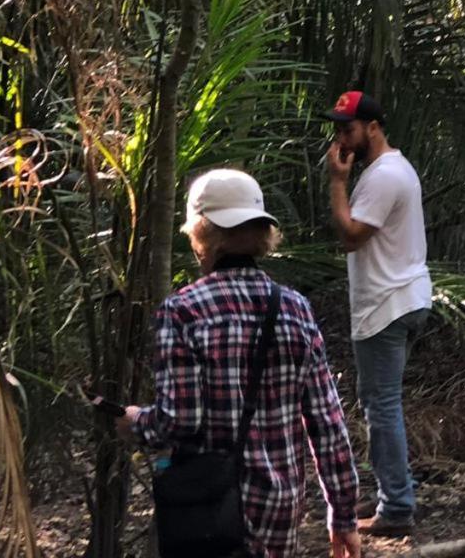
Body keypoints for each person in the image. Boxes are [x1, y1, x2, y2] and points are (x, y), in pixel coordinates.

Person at [116, 168, 360, 558]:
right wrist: (342, 514)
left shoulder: (182, 311)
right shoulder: (296, 309)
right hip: (279, 511)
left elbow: (179, 421)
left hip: (206, 512)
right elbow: (327, 423)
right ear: (263, 235)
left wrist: (135, 421)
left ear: (201, 235)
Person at [324, 91, 432, 538]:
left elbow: (351, 235)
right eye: (337, 129)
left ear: (372, 127)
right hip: (399, 298)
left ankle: (397, 508)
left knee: (381, 407)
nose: (340, 138)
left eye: (347, 129)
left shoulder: (385, 175)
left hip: (387, 304)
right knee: (381, 404)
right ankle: (394, 492)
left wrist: (336, 182)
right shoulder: (389, 171)